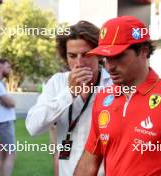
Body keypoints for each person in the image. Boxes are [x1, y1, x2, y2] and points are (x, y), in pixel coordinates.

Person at [74, 16, 161, 176]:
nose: (110, 66)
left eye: (118, 56)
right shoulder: (103, 97)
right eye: (105, 58)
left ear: (143, 51)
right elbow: (90, 159)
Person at [25, 21, 112, 176]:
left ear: (98, 54)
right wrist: (69, 93)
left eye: (86, 55)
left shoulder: (113, 84)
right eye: (72, 56)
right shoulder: (58, 82)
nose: (79, 63)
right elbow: (33, 127)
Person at [0, 58, 16, 176]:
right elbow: (10, 102)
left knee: (3, 153)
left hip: (3, 121)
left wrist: (8, 101)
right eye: (7, 67)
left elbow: (7, 101)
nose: (9, 70)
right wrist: (11, 102)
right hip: (4, 122)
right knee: (11, 153)